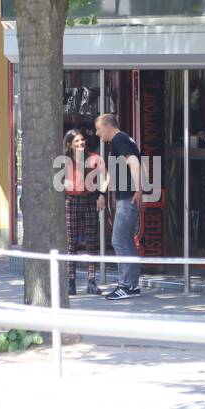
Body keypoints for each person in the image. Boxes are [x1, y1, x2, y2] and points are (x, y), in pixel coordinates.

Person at [94, 113, 143, 299]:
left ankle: (125, 285)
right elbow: (111, 173)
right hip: (126, 198)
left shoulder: (119, 140)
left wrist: (138, 189)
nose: (98, 133)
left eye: (99, 128)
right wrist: (102, 193)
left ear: (108, 126)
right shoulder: (121, 141)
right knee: (127, 241)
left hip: (128, 199)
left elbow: (134, 162)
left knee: (119, 240)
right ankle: (132, 285)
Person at [61, 129, 102, 296]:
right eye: (77, 141)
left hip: (90, 199)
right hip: (71, 201)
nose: (81, 143)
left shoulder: (94, 158)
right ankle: (71, 282)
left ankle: (91, 281)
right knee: (72, 244)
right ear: (69, 144)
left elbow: (106, 177)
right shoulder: (64, 161)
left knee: (91, 243)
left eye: (83, 140)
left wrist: (102, 194)